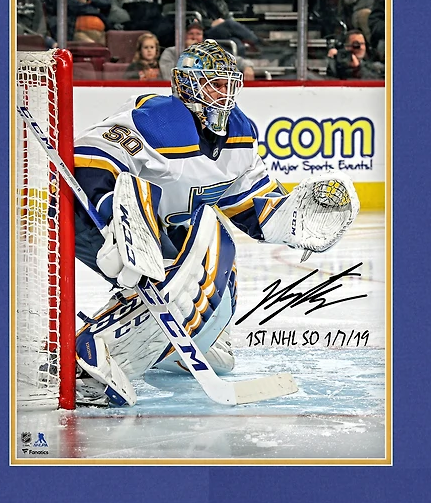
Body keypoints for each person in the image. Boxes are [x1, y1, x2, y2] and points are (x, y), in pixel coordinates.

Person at [71, 39, 359, 406]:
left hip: (155, 230)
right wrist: (114, 219)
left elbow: (253, 204)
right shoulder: (159, 118)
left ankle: (175, 344)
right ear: (187, 85)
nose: (224, 94)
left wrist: (295, 221)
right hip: (93, 213)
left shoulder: (239, 132)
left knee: (219, 275)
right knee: (188, 269)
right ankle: (89, 356)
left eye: (228, 84)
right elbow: (91, 157)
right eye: (214, 84)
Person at [159, 20, 255, 81]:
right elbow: (168, 77)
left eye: (198, 34)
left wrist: (248, 67)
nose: (194, 37)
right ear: (184, 35)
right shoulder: (171, 52)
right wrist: (190, 53)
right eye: (191, 33)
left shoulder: (211, 52)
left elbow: (236, 61)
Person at [186, 0, 260, 56]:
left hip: (222, 29)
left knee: (238, 44)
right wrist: (210, 23)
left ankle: (238, 66)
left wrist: (221, 21)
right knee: (229, 24)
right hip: (204, 30)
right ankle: (257, 42)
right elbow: (190, 20)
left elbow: (226, 15)